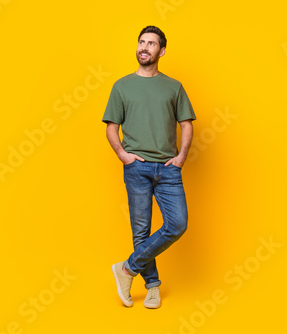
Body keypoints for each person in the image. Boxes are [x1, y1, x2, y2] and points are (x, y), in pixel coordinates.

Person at [102, 25, 196, 309]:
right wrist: (122, 154)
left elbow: (187, 124)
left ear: (161, 51)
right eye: (141, 42)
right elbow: (111, 127)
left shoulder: (174, 87)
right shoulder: (122, 86)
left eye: (151, 44)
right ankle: (152, 286)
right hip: (136, 168)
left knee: (177, 224)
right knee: (140, 231)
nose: (144, 47)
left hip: (168, 169)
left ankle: (127, 269)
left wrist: (181, 157)